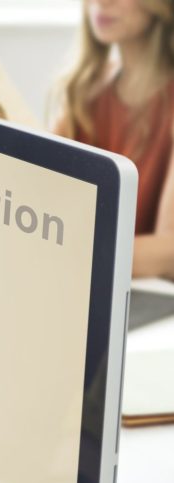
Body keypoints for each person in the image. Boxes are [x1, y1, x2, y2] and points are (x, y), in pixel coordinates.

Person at [56, 0, 174, 278]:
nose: (101, 3)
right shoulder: (85, 89)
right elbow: (42, 196)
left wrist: (63, 252)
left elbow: (169, 250)